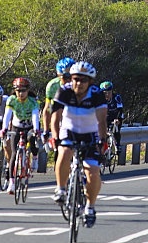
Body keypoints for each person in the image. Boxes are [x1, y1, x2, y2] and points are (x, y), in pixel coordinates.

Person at [51, 61, 107, 229]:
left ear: (90, 82)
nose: (79, 83)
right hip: (69, 130)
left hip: (90, 133)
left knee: (93, 172)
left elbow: (102, 120)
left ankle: (90, 207)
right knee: (65, 151)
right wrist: (55, 137)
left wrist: (102, 142)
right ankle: (61, 189)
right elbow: (55, 116)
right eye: (75, 79)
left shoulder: (96, 94)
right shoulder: (65, 90)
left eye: (83, 80)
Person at [1, 77, 40, 194]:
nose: (21, 93)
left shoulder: (33, 101)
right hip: (16, 125)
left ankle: (35, 156)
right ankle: (12, 182)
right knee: (13, 152)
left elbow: (35, 116)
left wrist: (36, 129)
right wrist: (4, 129)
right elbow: (7, 115)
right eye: (18, 91)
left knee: (31, 139)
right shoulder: (11, 100)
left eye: (23, 91)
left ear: (28, 91)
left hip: (30, 125)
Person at [43, 56, 75, 162]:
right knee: (60, 150)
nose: (69, 80)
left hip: (77, 117)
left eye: (71, 76)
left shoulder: (81, 84)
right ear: (58, 76)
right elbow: (47, 110)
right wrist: (46, 131)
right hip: (59, 117)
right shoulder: (53, 86)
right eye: (65, 77)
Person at [99, 80, 124, 154]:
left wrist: (118, 119)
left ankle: (117, 145)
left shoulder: (116, 98)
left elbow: (120, 110)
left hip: (115, 115)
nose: (107, 94)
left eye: (109, 92)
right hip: (105, 116)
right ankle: (104, 148)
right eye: (105, 93)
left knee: (116, 129)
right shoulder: (99, 99)